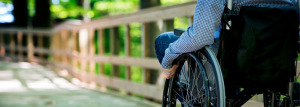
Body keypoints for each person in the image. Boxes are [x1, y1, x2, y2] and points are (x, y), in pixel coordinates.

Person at [154, 0, 297, 79]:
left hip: (232, 59)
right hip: (277, 61)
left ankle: (198, 100)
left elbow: (200, 36)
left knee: (163, 40)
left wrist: (168, 59)